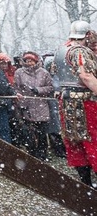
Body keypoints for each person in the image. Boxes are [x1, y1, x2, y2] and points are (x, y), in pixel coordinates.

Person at [54, 20, 97, 187]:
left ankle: (86, 184)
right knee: (92, 140)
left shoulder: (61, 49)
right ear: (86, 35)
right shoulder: (80, 51)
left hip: (66, 102)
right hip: (85, 102)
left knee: (75, 142)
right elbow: (86, 76)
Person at [13, 51, 54, 160]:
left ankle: (43, 154)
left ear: (36, 61)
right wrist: (19, 99)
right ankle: (32, 154)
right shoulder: (19, 72)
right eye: (27, 61)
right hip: (26, 106)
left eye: (31, 61)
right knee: (29, 133)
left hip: (41, 106)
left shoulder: (44, 72)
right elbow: (16, 87)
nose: (29, 63)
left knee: (42, 134)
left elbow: (50, 87)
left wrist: (38, 90)